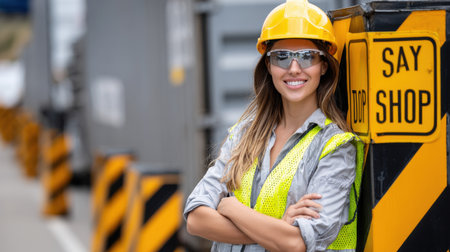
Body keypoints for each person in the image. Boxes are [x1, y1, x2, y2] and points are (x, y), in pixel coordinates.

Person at [184, 0, 364, 251]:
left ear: (323, 65)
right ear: (268, 66)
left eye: (306, 57)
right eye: (282, 57)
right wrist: (276, 226)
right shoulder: (244, 134)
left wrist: (230, 207)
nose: (293, 68)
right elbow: (196, 219)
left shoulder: (335, 147)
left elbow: (296, 242)